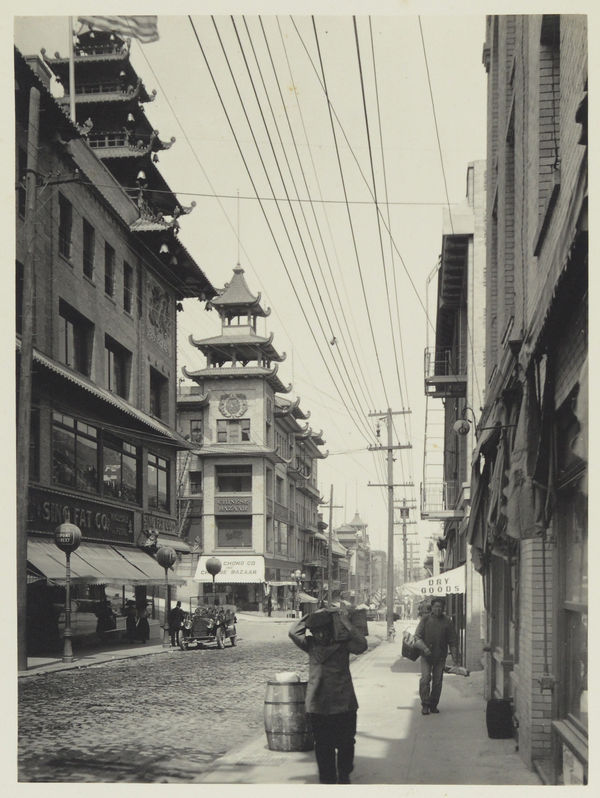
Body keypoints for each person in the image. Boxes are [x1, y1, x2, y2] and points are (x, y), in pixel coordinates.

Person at [289, 608, 368, 784]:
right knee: (323, 747)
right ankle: (328, 781)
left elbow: (362, 645)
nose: (320, 636)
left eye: (323, 631)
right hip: (319, 705)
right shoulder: (310, 644)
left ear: (331, 629)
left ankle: (344, 772)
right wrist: (312, 615)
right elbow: (293, 631)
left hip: (343, 704)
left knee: (346, 744)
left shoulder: (343, 643)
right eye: (315, 632)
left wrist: (345, 622)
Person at [414, 596, 458, 715]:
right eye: (436, 607)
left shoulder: (447, 621)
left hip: (440, 657)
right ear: (432, 608)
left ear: (443, 608)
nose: (438, 609)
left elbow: (452, 641)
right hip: (426, 656)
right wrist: (424, 648)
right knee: (425, 679)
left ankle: (433, 704)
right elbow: (417, 637)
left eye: (440, 607)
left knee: (437, 682)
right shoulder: (425, 619)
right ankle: (425, 704)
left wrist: (455, 658)